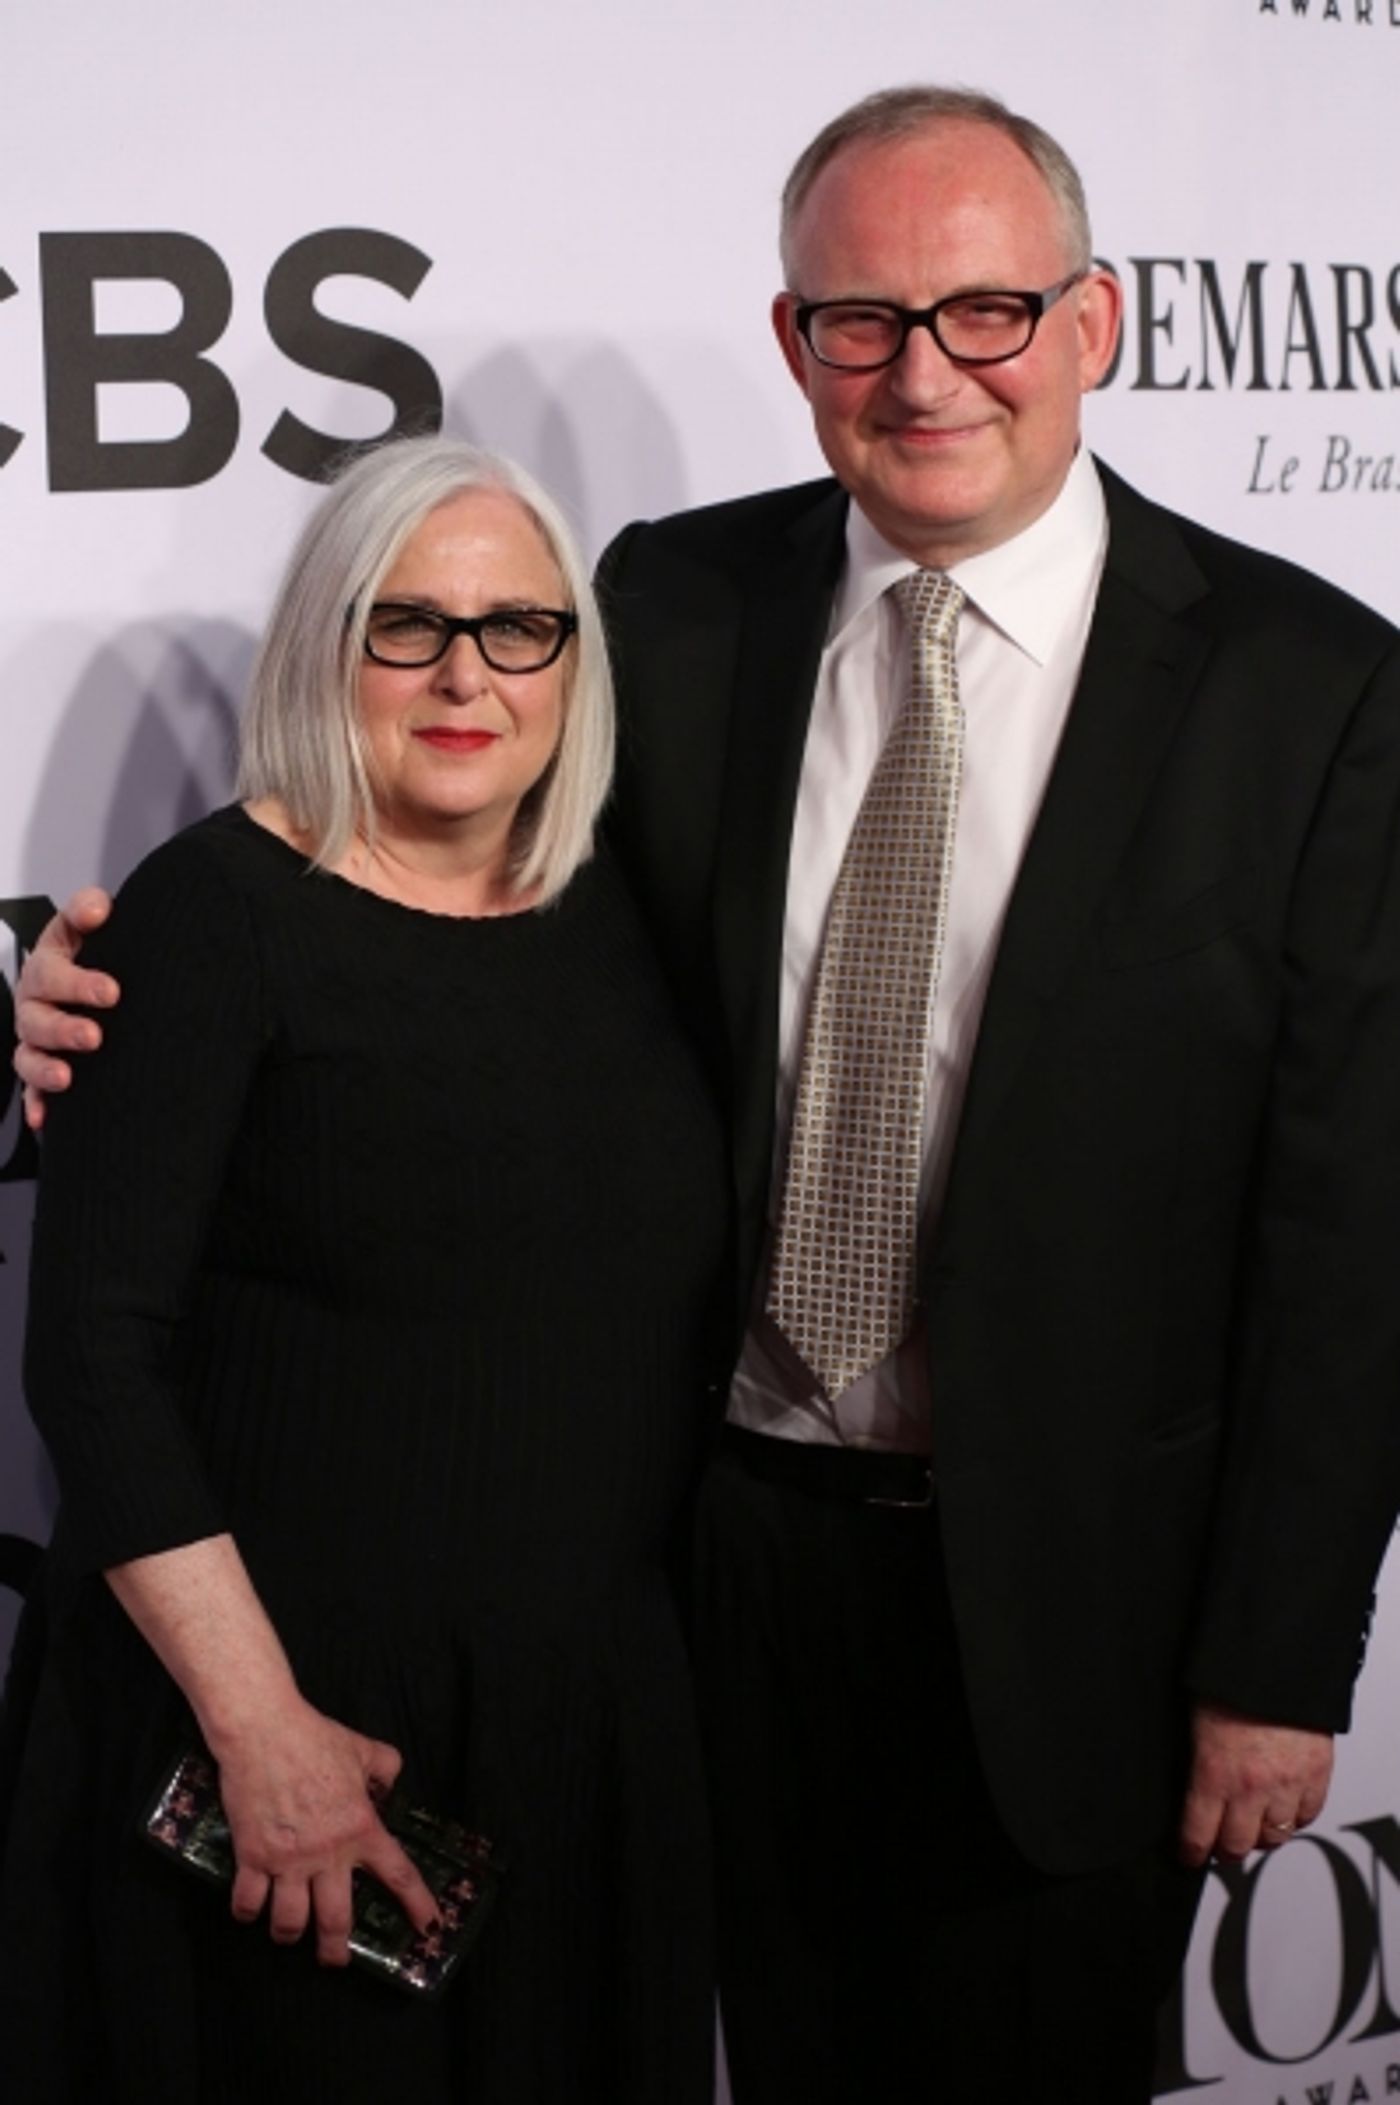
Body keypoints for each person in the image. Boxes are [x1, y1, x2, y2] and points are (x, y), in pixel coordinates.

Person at [16, 83, 1400, 2105]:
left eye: (985, 312)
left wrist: (1274, 1666)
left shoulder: (1311, 690)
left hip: (1069, 1604)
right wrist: (81, 980)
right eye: (861, 321)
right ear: (794, 345)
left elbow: (1349, 1227)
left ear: (1092, 325)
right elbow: (422, 892)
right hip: (705, 1578)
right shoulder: (666, 615)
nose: (924, 373)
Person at [0, 435, 726, 2104]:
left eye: (518, 628)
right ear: (327, 646)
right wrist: (266, 1736)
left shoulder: (624, 914)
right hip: (300, 1739)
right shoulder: (207, 917)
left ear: (574, 661)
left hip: (579, 1728)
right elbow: (91, 1360)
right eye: (406, 625)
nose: (467, 674)